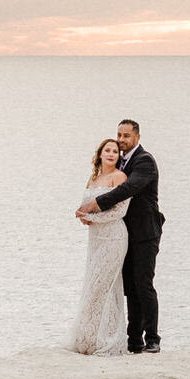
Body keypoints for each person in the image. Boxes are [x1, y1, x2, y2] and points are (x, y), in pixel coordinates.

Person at [76, 115, 162, 353]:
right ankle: (134, 341)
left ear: (137, 137)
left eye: (126, 136)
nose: (122, 140)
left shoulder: (144, 161)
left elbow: (129, 189)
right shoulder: (121, 163)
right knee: (130, 288)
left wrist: (96, 205)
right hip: (123, 234)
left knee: (144, 284)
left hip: (145, 233)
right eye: (119, 135)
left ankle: (153, 339)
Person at [68, 139, 131, 356]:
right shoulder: (93, 178)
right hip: (95, 239)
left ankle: (108, 339)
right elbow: (86, 205)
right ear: (100, 154)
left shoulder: (120, 178)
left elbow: (119, 211)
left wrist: (94, 218)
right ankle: (89, 339)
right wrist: (83, 216)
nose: (112, 154)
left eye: (115, 151)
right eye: (108, 150)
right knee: (91, 286)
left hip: (114, 237)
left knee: (104, 286)